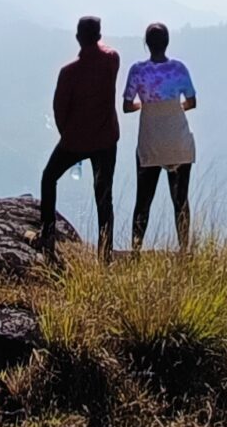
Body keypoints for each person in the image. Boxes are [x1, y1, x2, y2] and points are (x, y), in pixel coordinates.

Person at [39, 15, 121, 261]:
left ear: (77, 38)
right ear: (98, 36)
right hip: (105, 139)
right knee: (104, 196)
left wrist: (68, 135)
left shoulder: (69, 73)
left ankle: (48, 234)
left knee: (48, 177)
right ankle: (104, 254)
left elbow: (59, 109)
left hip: (75, 139)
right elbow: (106, 51)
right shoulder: (111, 60)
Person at [121, 21, 198, 251]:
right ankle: (184, 251)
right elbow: (192, 102)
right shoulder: (179, 69)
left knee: (143, 201)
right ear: (167, 43)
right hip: (178, 140)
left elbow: (126, 105)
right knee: (180, 202)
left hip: (151, 141)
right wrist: (173, 108)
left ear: (146, 43)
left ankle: (135, 250)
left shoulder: (138, 70)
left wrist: (145, 106)